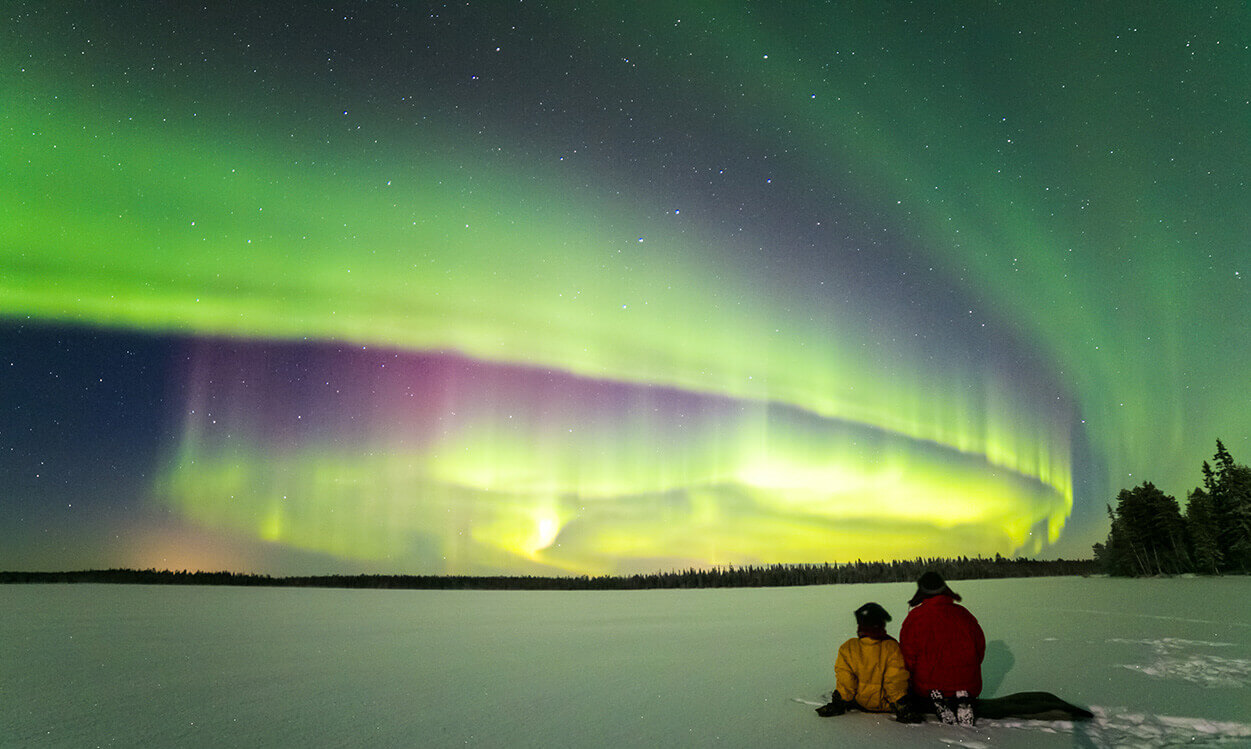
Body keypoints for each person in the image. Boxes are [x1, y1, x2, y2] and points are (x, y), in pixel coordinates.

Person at [899, 571, 986, 726]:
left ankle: (937, 695)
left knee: (925, 679)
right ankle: (962, 694)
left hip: (927, 684)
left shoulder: (915, 618)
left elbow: (908, 657)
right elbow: (979, 650)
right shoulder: (964, 614)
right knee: (959, 680)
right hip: (967, 681)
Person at [815, 602, 922, 723]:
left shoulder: (848, 647)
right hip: (887, 705)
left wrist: (838, 703)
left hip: (861, 703)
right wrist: (903, 707)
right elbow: (895, 680)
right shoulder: (891, 647)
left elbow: (846, 681)